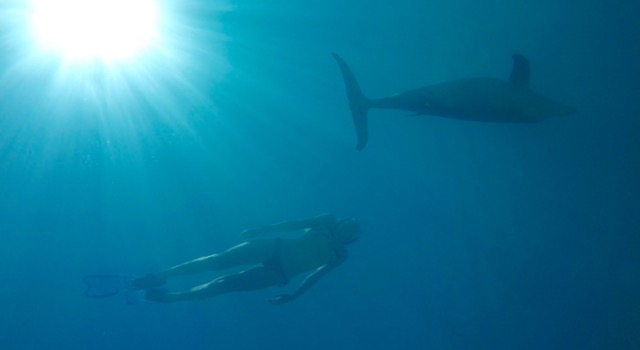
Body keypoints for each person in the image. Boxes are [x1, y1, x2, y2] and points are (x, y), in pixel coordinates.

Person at [130, 213, 359, 304]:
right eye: (348, 222)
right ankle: (159, 276)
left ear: (351, 239)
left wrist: (294, 295)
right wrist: (262, 230)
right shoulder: (325, 221)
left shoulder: (339, 255)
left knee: (223, 285)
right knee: (216, 261)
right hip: (273, 248)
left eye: (352, 230)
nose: (347, 226)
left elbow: (316, 276)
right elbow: (294, 224)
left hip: (279, 273)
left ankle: (173, 298)